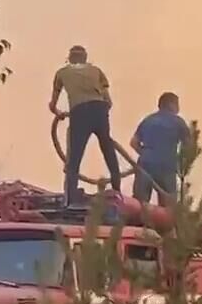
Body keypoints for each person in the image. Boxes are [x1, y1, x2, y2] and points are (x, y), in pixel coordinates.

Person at [48, 45, 120, 205]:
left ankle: (71, 200)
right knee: (108, 149)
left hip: (79, 112)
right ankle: (118, 191)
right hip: (99, 109)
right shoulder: (96, 71)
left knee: (74, 158)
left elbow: (52, 104)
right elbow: (108, 101)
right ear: (86, 58)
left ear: (69, 58)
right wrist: (101, 112)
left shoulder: (62, 73)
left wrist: (58, 113)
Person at [130, 92, 191, 206]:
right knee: (168, 207)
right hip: (166, 167)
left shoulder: (148, 120)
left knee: (139, 205)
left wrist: (145, 153)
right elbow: (189, 146)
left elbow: (133, 143)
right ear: (172, 104)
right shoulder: (178, 122)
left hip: (144, 165)